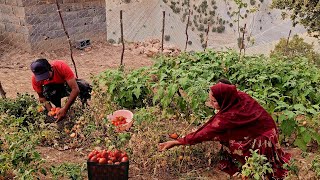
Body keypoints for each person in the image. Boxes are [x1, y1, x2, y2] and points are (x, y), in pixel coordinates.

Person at [158, 82, 291, 179]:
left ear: (224, 98)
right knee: (229, 137)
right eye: (211, 100)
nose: (211, 104)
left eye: (215, 101)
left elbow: (204, 133)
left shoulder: (227, 118)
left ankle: (252, 167)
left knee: (232, 142)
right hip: (268, 129)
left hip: (264, 139)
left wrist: (177, 142)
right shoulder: (238, 97)